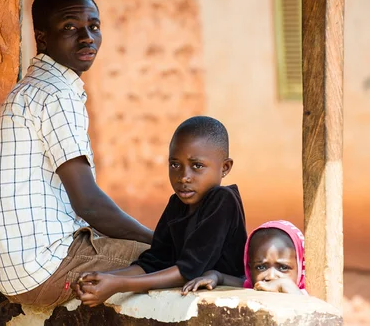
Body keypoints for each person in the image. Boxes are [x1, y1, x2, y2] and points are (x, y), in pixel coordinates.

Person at [0, 0, 153, 308]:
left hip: (12, 273)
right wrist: (160, 240)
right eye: (70, 27)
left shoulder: (30, 90)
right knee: (175, 260)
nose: (87, 38)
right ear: (42, 38)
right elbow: (88, 204)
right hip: (46, 270)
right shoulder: (56, 93)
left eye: (93, 26)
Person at [75, 116, 248, 307]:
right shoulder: (177, 203)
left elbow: (188, 271)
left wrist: (118, 284)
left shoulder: (223, 200)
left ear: (225, 167)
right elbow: (154, 262)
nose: (184, 177)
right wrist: (103, 278)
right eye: (175, 165)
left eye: (197, 166)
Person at [182, 220, 307, 295]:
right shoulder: (254, 286)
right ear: (249, 268)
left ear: (300, 267)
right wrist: (212, 276)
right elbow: (222, 278)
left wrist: (285, 286)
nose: (271, 277)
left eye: (283, 267)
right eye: (261, 267)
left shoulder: (303, 294)